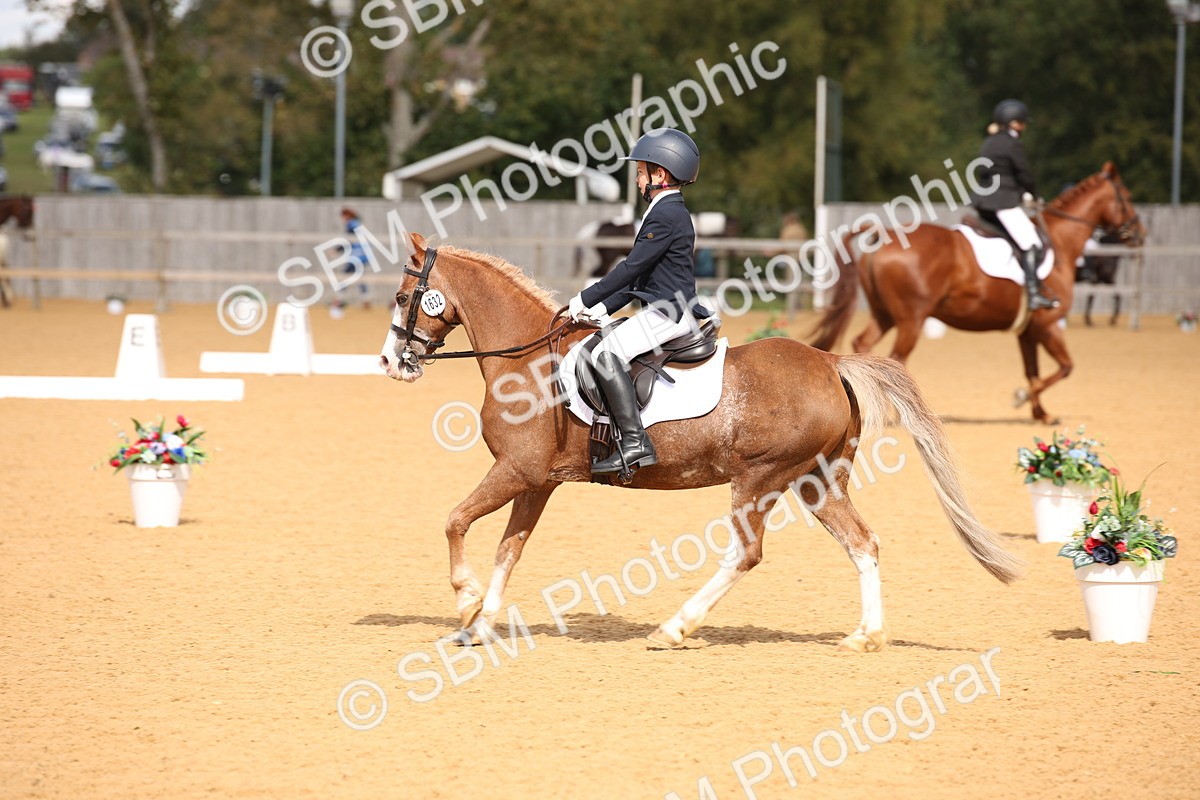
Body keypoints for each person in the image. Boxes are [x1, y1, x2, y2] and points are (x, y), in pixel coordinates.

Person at [567, 128, 712, 476]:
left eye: (639, 172)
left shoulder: (666, 214)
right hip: (662, 306)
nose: (636, 179)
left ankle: (634, 441)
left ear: (659, 174)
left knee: (607, 354)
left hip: (669, 312)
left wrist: (585, 297)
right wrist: (601, 309)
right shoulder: (667, 211)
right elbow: (639, 276)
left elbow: (630, 266)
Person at [971, 99, 1059, 310]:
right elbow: (1023, 173)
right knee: (1032, 243)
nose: (1024, 127)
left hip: (983, 202)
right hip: (1004, 202)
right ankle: (1034, 293)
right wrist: (1031, 194)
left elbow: (986, 172)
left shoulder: (988, 142)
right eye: (1022, 123)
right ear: (1015, 123)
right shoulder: (1012, 144)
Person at [339, 207, 372, 309]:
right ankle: (365, 299)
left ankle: (339, 299)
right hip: (363, 254)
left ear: (346, 216)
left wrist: (338, 249)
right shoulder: (358, 223)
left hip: (357, 254)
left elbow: (349, 240)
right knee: (359, 276)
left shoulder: (350, 224)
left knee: (345, 275)